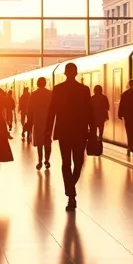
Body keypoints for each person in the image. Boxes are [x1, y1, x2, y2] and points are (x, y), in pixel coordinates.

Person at [46, 64, 95, 211]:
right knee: (78, 162)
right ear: (75, 73)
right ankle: (71, 192)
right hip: (80, 131)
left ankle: (70, 189)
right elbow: (89, 111)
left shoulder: (58, 89)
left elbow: (52, 110)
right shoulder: (84, 90)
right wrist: (93, 131)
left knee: (66, 162)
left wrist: (49, 129)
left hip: (64, 131)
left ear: (66, 73)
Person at [28, 77, 53, 170]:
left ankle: (39, 161)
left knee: (39, 143)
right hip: (48, 121)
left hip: (38, 120)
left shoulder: (34, 94)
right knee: (48, 141)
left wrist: (29, 122)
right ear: (45, 83)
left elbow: (30, 109)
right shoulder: (50, 93)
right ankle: (47, 160)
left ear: (37, 84)